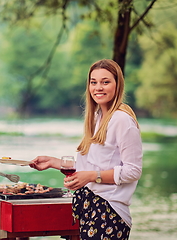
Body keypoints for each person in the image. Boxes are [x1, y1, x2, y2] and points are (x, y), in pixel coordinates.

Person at [31, 59, 142, 240]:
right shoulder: (98, 116)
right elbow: (93, 166)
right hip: (90, 205)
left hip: (108, 211)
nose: (98, 87)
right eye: (94, 82)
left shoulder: (122, 120)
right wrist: (53, 162)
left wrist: (91, 176)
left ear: (117, 85)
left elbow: (133, 171)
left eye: (105, 82)